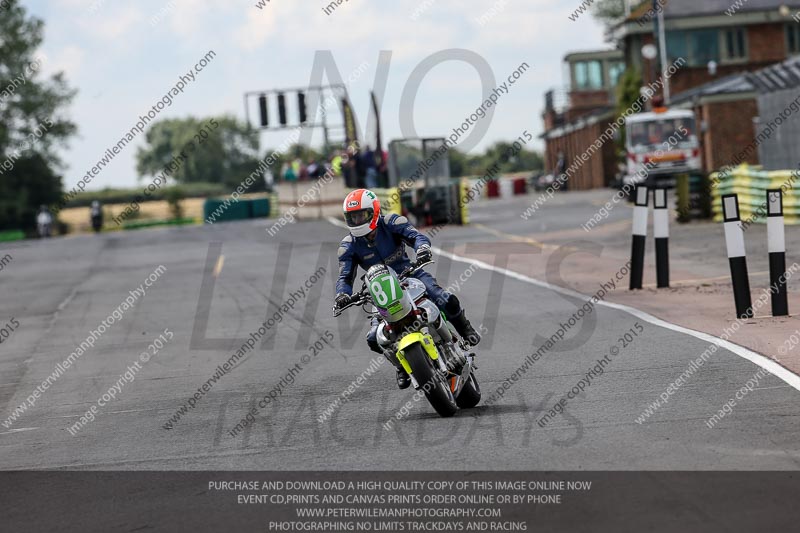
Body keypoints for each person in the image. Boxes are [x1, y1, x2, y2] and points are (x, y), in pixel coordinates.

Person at [334, 189, 481, 389]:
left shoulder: (392, 222)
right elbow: (345, 276)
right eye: (353, 217)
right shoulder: (348, 245)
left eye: (361, 215)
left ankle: (465, 329)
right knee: (373, 338)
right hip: (380, 291)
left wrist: (422, 249)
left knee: (444, 298)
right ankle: (402, 366)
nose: (358, 220)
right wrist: (342, 294)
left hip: (409, 274)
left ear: (374, 212)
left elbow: (416, 237)